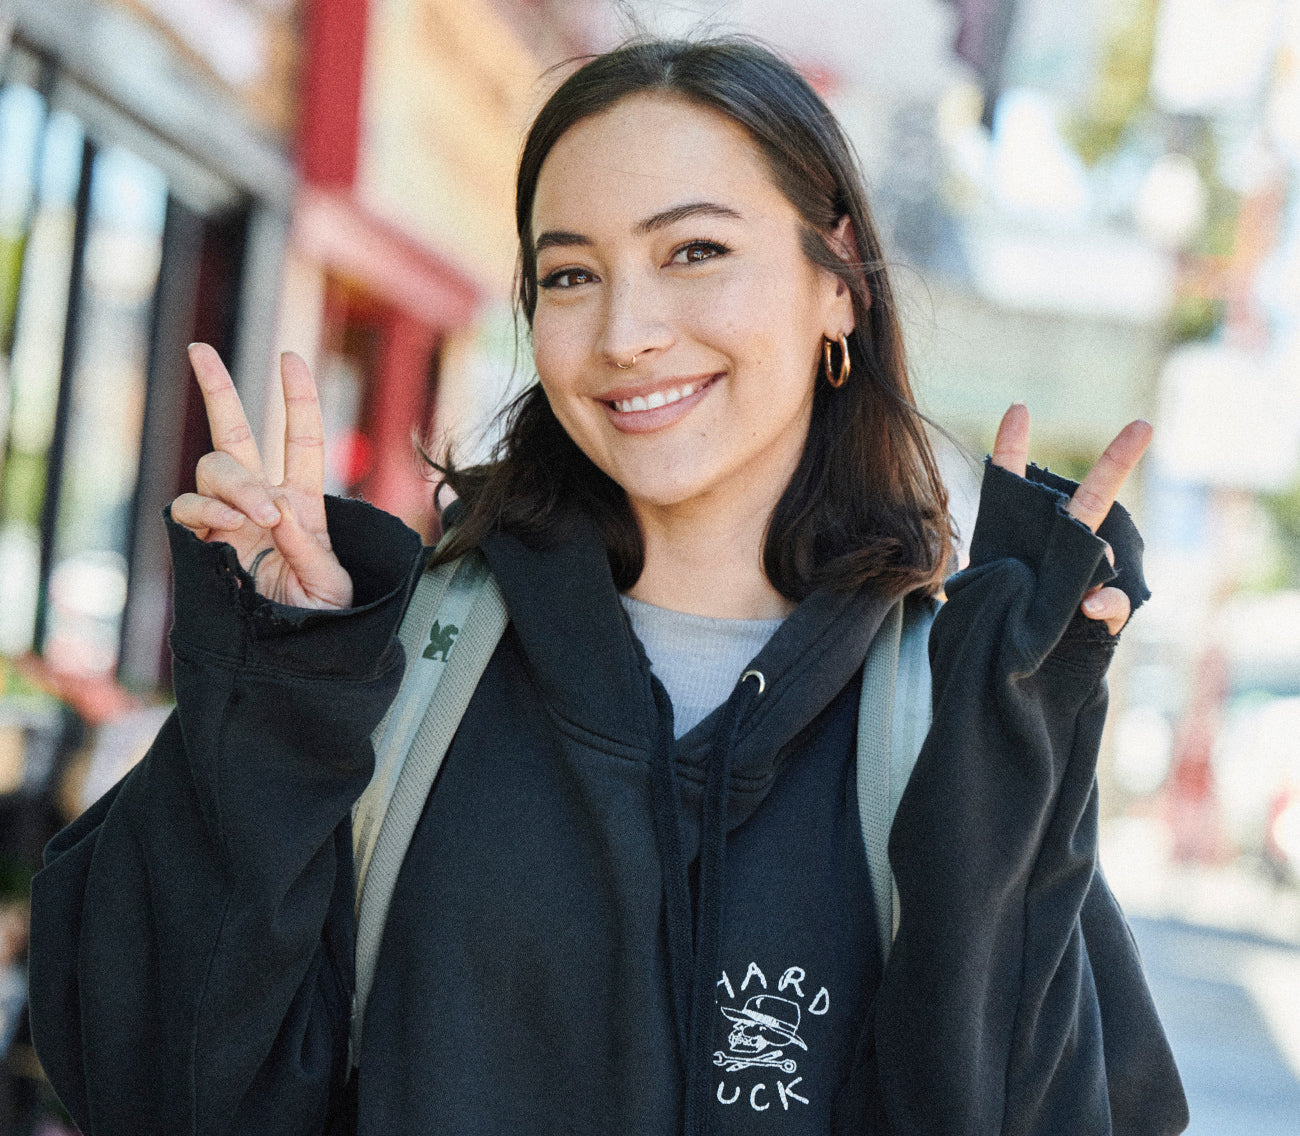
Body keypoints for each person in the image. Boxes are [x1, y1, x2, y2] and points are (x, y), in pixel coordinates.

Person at [27, 37, 1188, 1136]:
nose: (626, 331)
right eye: (571, 272)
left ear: (838, 279)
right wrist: (279, 686)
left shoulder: (940, 717)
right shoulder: (408, 663)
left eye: (693, 251)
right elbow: (157, 1082)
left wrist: (1009, 768)